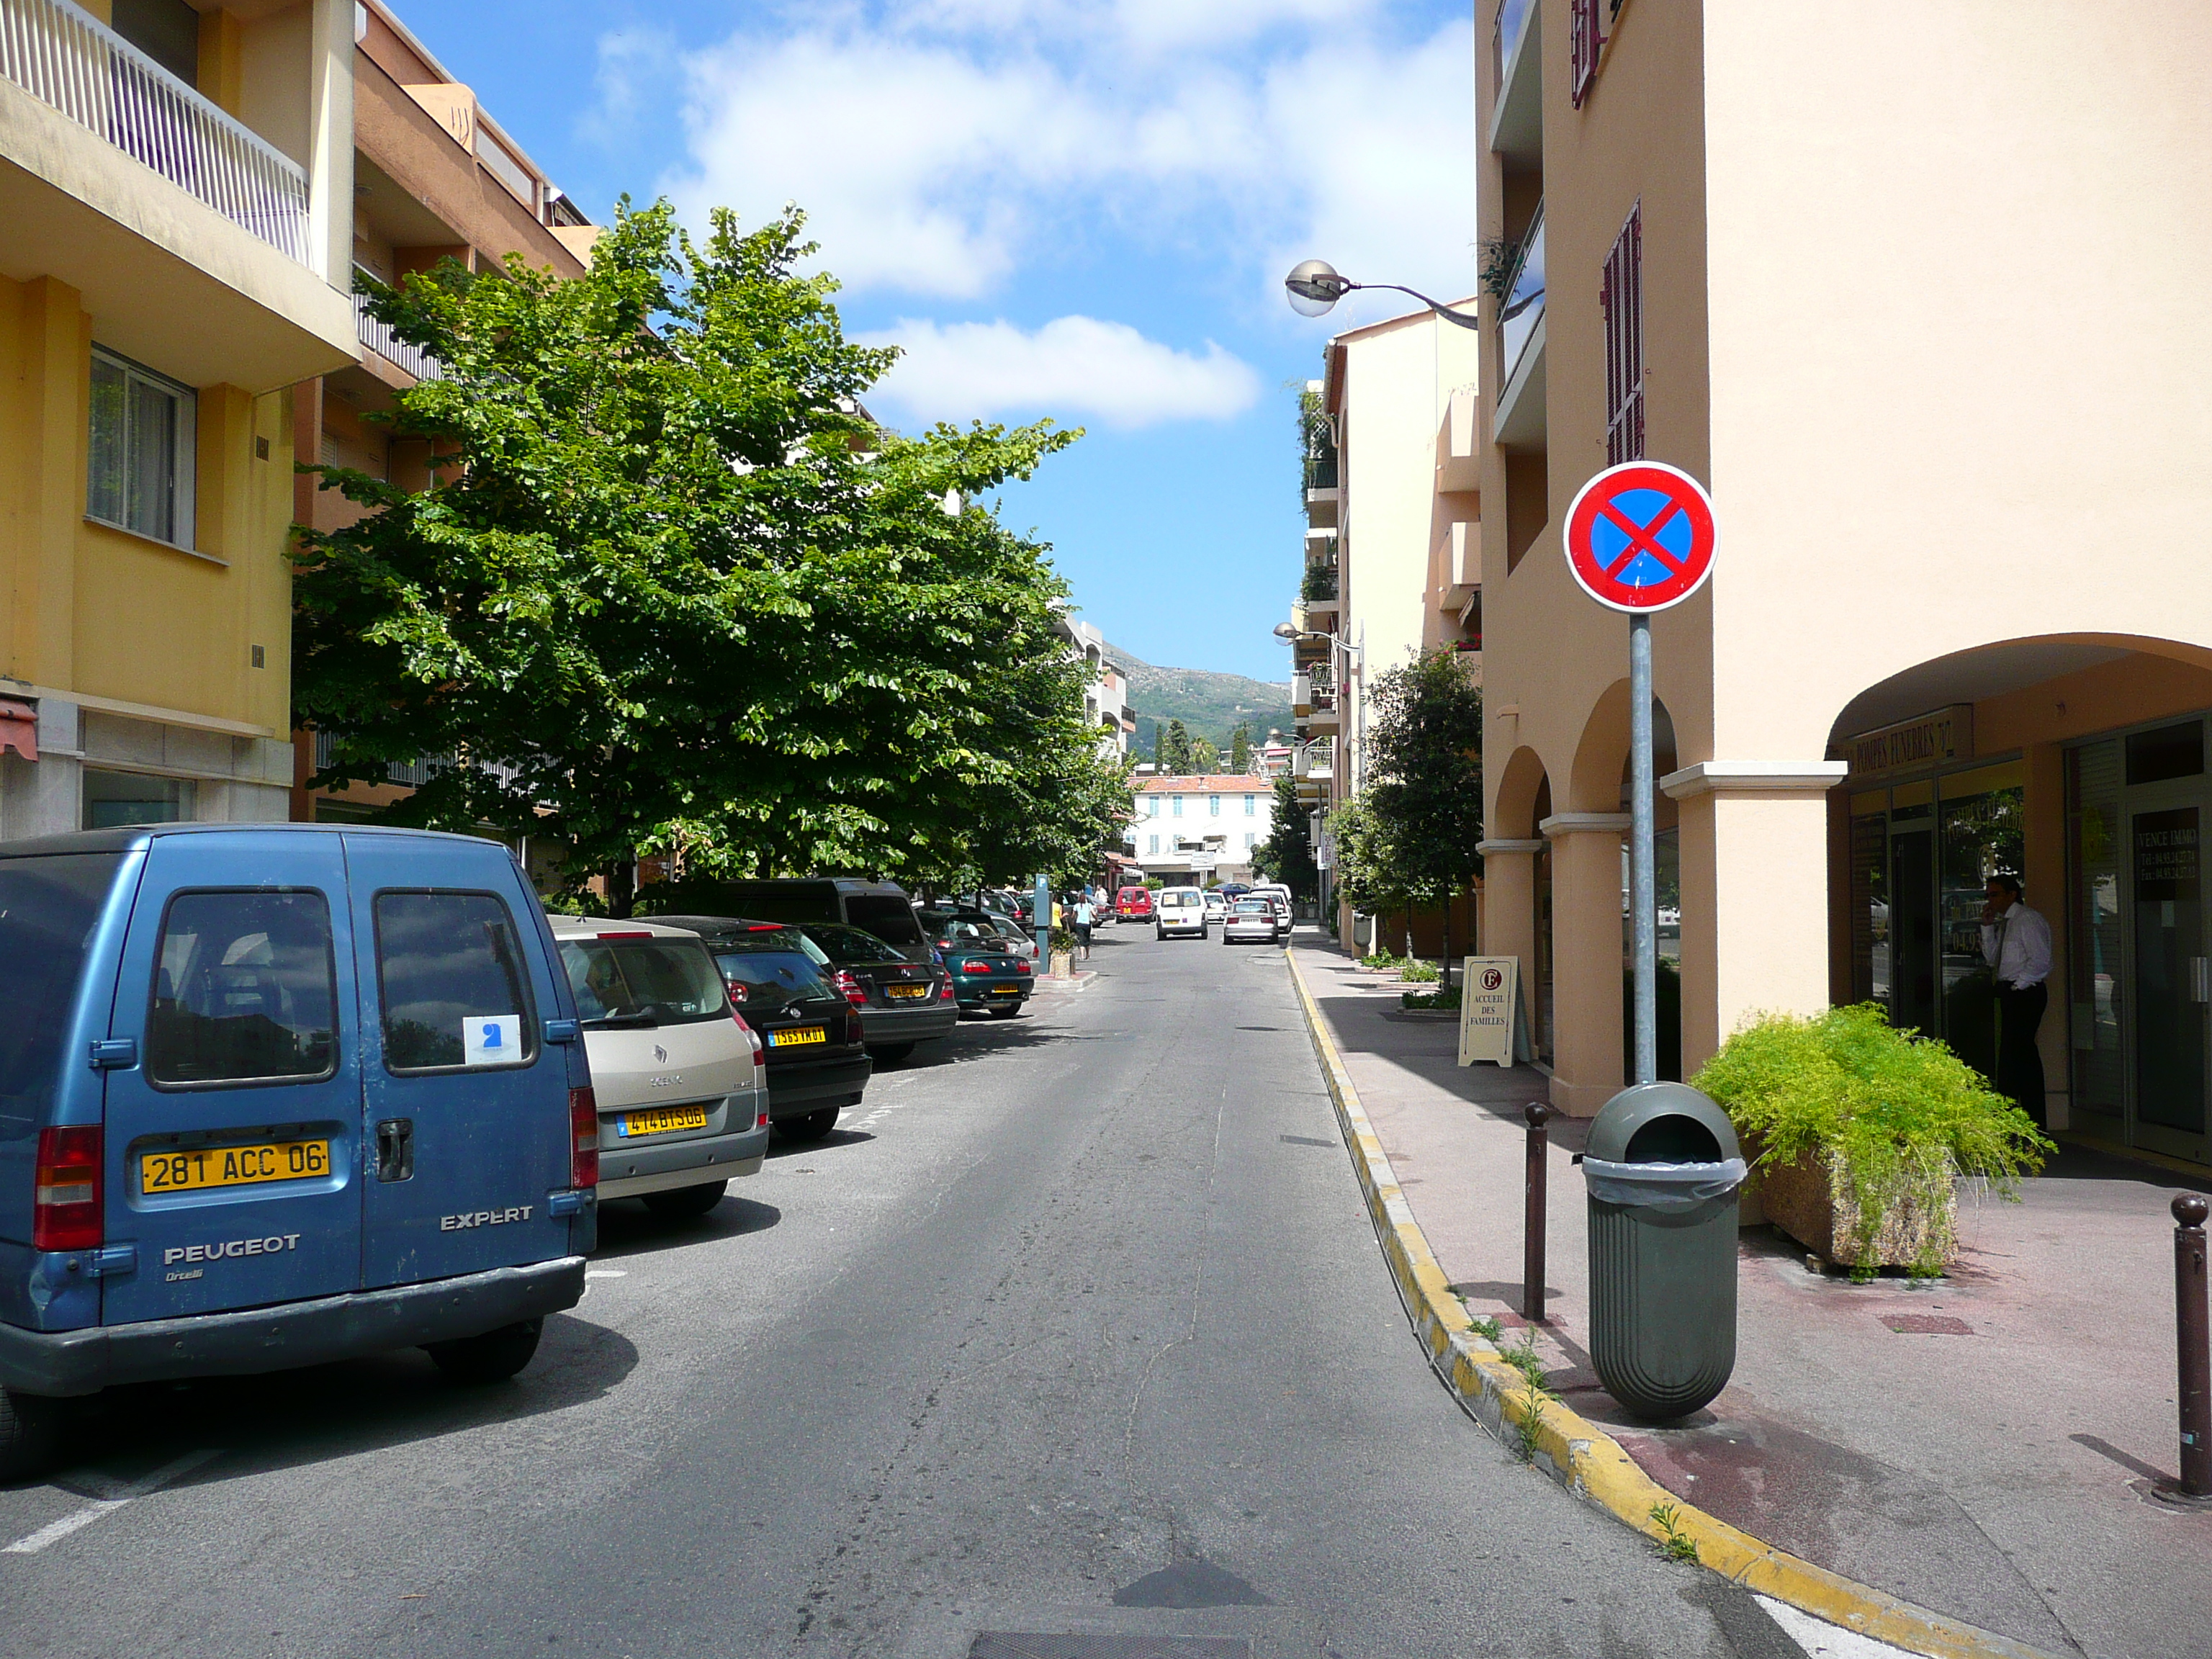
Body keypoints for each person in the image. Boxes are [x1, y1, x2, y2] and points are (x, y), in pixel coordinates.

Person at [1979, 874, 2051, 1125]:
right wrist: (1987, 928)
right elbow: (1993, 959)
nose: (1991, 900)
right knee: (2013, 1056)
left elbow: (2041, 960)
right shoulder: (2005, 923)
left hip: (2025, 992)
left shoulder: (2026, 920)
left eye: (1995, 894)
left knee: (2019, 1054)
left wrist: (2017, 987)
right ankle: (2014, 1118)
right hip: (2010, 989)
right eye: (1988, 895)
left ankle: (2030, 1119)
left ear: (2012, 895)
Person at [1073, 892, 1094, 958]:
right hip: (1087, 924)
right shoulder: (1089, 905)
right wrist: (1096, 919)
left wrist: (1072, 920)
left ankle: (1082, 956)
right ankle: (1087, 955)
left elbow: (1073, 915)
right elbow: (1094, 913)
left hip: (1079, 924)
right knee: (1087, 938)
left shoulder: (1076, 906)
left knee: (1081, 939)